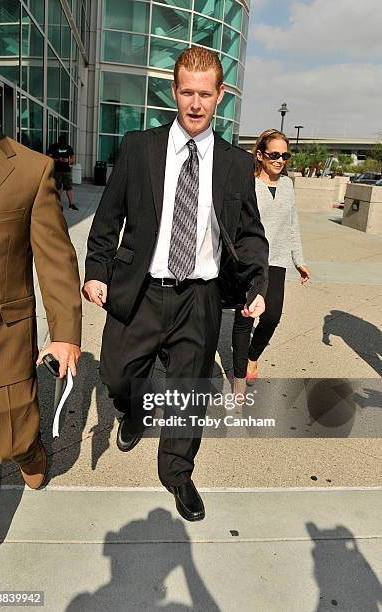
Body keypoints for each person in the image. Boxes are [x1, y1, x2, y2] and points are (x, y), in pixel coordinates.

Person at [83, 47, 268, 522]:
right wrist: (97, 271)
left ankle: (178, 472)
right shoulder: (139, 147)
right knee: (118, 375)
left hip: (200, 296)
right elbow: (108, 218)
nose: (195, 103)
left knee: (188, 391)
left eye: (205, 94)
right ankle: (135, 409)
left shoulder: (232, 163)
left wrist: (256, 285)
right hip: (141, 287)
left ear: (220, 95)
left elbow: (248, 233)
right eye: (187, 91)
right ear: (174, 90)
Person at [0, 51, 82, 574]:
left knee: (12, 435)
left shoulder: (30, 169)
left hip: (1, 339)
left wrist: (65, 331)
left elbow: (56, 260)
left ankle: (30, 451)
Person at [232, 129, 311, 393]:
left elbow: (292, 225)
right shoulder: (248, 184)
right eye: (274, 154)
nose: (280, 160)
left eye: (284, 155)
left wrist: (299, 259)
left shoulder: (288, 185)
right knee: (244, 319)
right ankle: (239, 376)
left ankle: (253, 355)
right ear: (259, 154)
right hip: (250, 260)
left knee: (272, 316)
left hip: (276, 260)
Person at [47, 134, 78, 210]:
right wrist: (57, 160)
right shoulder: (54, 147)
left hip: (66, 170)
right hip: (57, 170)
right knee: (58, 188)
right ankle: (57, 204)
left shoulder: (68, 147)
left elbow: (73, 159)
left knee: (68, 187)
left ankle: (71, 204)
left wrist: (68, 160)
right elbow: (48, 157)